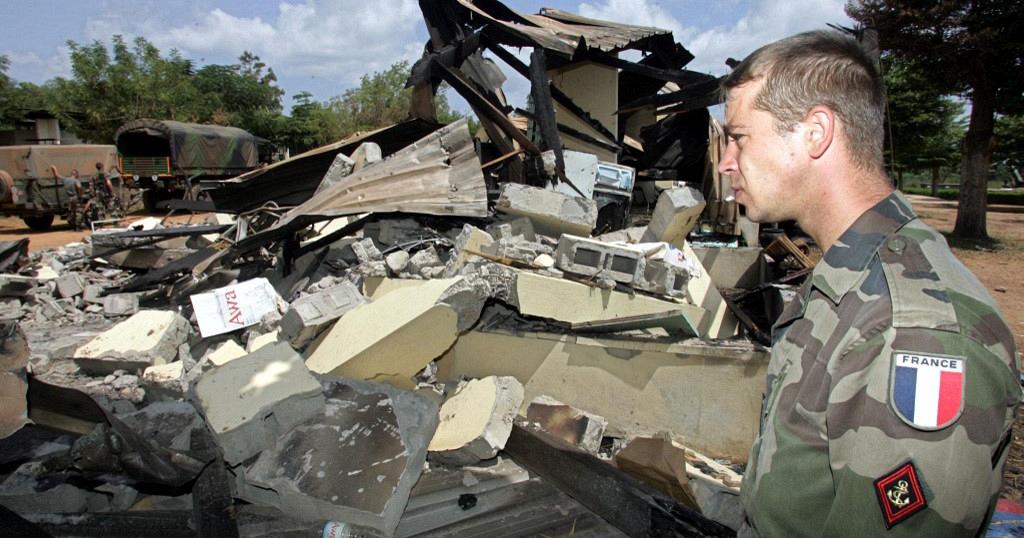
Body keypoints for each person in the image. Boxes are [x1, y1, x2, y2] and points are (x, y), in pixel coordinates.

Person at [718, 31, 1021, 536]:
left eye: (740, 137)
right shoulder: (851, 275)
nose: (727, 161)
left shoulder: (913, 331)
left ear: (816, 132)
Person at [49, 164, 85, 230]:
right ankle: (77, 227)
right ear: (76, 174)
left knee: (72, 212)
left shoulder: (65, 179)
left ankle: (73, 225)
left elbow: (57, 175)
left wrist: (54, 169)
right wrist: (81, 194)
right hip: (75, 197)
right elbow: (79, 187)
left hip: (70, 198)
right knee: (78, 212)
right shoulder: (76, 181)